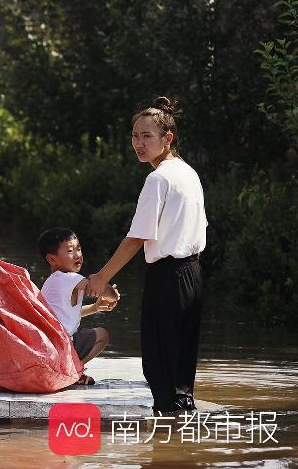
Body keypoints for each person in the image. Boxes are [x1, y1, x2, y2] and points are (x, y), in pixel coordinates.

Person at [86, 97, 207, 416]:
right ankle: (181, 445)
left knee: (160, 366)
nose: (138, 143)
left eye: (147, 136)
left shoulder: (158, 179)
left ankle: (166, 446)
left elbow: (137, 238)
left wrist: (101, 277)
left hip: (168, 277)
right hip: (193, 275)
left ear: (168, 139)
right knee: (181, 369)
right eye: (135, 136)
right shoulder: (188, 173)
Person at [37, 227, 120, 382]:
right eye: (70, 251)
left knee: (90, 334)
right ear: (52, 259)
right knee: (102, 335)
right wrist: (112, 293)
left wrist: (95, 308)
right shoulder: (69, 278)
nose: (78, 255)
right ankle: (74, 372)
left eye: (79, 249)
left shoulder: (54, 280)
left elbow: (66, 315)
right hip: (60, 347)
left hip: (52, 348)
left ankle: (68, 370)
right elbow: (103, 289)